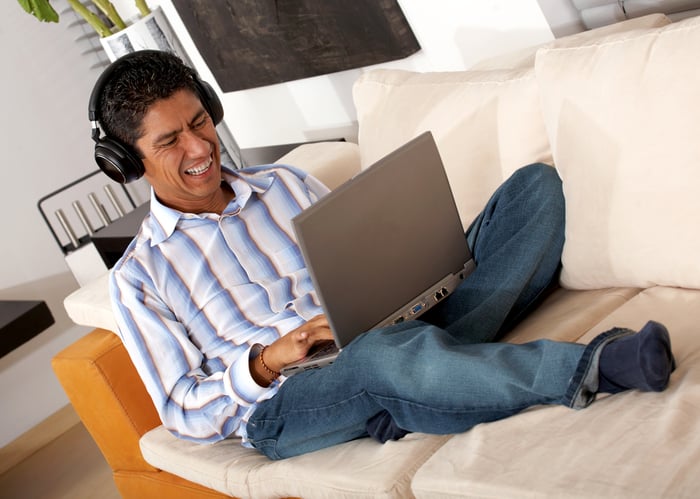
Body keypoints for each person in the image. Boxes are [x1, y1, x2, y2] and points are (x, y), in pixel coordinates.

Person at [96, 50, 676, 460]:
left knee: (533, 192)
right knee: (378, 359)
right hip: (285, 400)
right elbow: (182, 411)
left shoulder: (285, 183)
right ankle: (593, 367)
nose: (199, 147)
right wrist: (266, 361)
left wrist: (413, 265)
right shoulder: (140, 277)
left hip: (385, 329)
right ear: (126, 161)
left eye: (200, 121)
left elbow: (357, 256)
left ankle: (416, 390)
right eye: (169, 141)